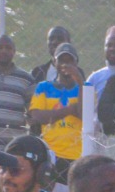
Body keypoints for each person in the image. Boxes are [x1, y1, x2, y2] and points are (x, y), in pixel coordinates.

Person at [26, 42, 86, 172]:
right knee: (50, 190)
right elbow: (37, 117)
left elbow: (84, 115)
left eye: (70, 60)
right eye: (61, 60)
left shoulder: (86, 88)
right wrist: (70, 110)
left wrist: (80, 82)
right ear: (54, 62)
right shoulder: (44, 87)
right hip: (50, 153)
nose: (66, 64)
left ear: (76, 63)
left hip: (77, 154)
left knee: (71, 191)